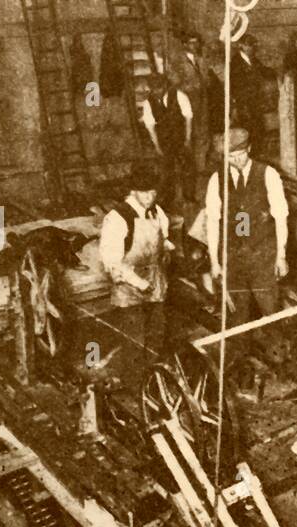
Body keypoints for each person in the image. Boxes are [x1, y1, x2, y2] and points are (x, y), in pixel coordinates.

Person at [205, 128, 290, 328]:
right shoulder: (216, 180)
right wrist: (214, 262)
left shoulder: (268, 174)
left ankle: (277, 352)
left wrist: (281, 255)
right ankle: (240, 354)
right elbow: (212, 222)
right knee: (237, 313)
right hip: (233, 258)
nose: (238, 161)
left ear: (249, 149)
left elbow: (280, 217)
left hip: (263, 255)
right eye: (231, 157)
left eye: (241, 155)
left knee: (270, 310)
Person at [99, 163, 174, 364]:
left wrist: (167, 247)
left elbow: (162, 238)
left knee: (156, 334)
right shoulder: (117, 217)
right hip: (129, 286)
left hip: (155, 280)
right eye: (144, 192)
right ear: (133, 191)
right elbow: (111, 262)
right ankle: (135, 386)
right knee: (134, 339)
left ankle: (154, 378)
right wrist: (139, 283)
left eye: (153, 192)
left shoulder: (157, 212)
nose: (150, 197)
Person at [140, 75, 194, 207]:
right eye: (153, 89)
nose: (156, 91)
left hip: (181, 137)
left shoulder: (179, 95)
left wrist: (187, 138)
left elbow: (188, 117)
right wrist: (157, 146)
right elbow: (150, 126)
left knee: (187, 168)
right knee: (166, 170)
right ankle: (169, 200)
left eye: (159, 88)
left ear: (165, 86)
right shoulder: (148, 103)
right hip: (165, 140)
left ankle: (189, 198)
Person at [171, 32, 210, 177]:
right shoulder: (176, 62)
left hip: (202, 99)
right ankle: (188, 167)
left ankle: (201, 167)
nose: (195, 45)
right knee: (188, 133)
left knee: (203, 131)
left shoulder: (201, 60)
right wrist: (192, 88)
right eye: (192, 43)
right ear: (185, 44)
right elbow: (175, 82)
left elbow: (207, 79)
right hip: (187, 100)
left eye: (197, 42)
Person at [230, 34, 272, 148]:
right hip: (244, 105)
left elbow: (264, 71)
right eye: (248, 46)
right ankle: (250, 154)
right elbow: (234, 86)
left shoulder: (253, 60)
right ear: (241, 46)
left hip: (255, 103)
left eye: (253, 46)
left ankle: (256, 155)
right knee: (248, 131)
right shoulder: (235, 63)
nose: (251, 48)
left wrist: (277, 72)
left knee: (258, 130)